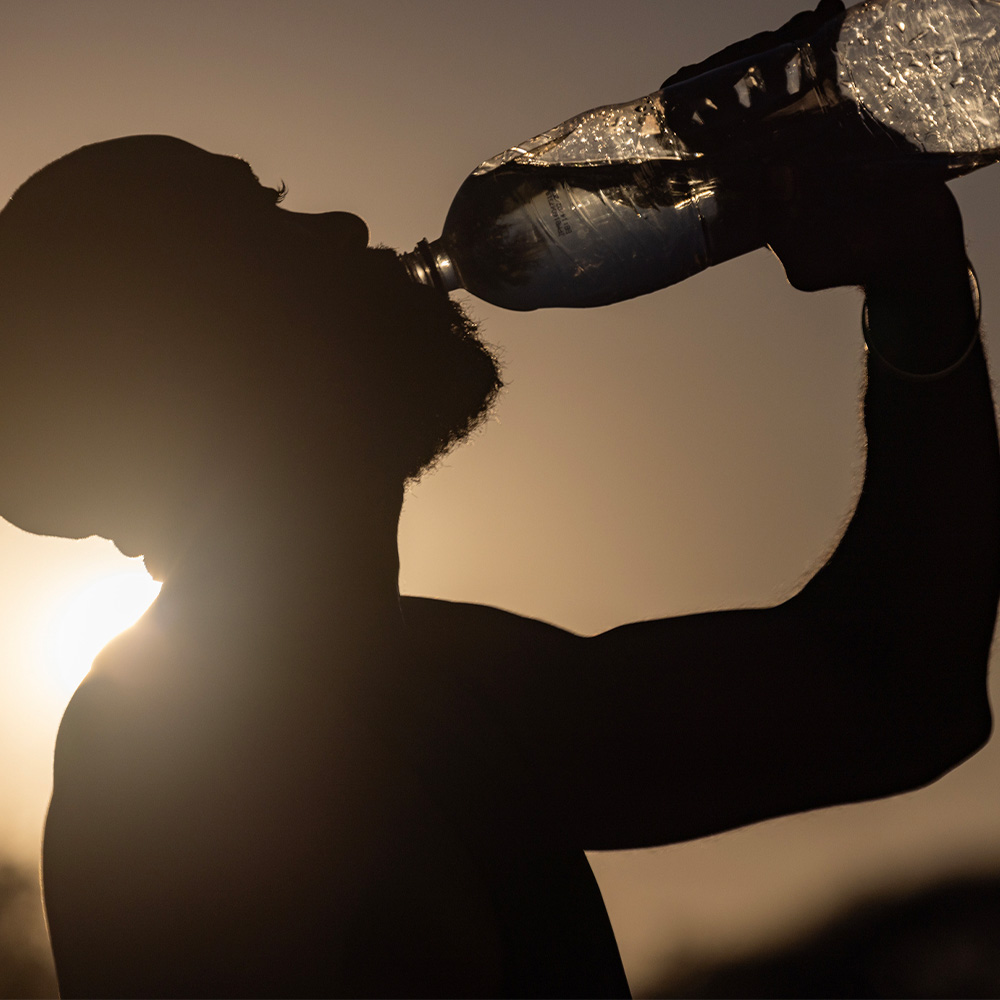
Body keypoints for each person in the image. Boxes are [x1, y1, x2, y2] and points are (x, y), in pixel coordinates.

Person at [2, 54, 997, 1000]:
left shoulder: (410, 681)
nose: (343, 221)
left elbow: (896, 698)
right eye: (262, 219)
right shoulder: (181, 761)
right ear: (181, 364)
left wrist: (915, 288)